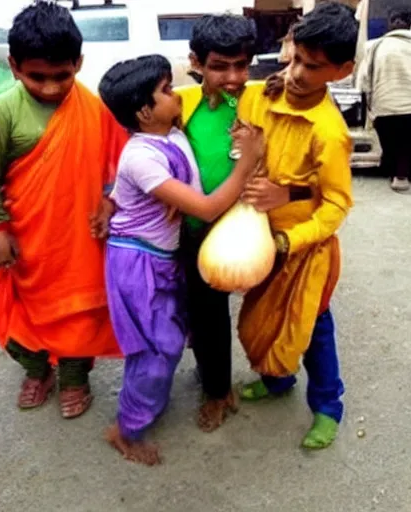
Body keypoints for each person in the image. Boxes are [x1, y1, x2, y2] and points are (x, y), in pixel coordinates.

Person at [95, 56, 263, 465]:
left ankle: (147, 400)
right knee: (156, 348)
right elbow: (205, 209)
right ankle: (126, 429)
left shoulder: (170, 133)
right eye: (167, 91)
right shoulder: (141, 155)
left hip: (160, 257)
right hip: (138, 264)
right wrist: (248, 160)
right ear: (143, 111)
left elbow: (162, 183)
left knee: (169, 336)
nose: (178, 97)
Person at [0, 2, 128, 418]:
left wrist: (109, 201)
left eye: (63, 75)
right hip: (26, 243)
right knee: (21, 322)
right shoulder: (0, 113)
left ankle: (75, 379)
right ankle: (37, 372)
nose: (53, 87)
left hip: (82, 241)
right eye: (38, 76)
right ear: (14, 66)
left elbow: (118, 164)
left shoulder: (93, 107)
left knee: (80, 315)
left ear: (79, 63)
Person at [177, 14, 311, 433]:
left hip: (263, 232)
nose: (234, 77)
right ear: (196, 62)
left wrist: (289, 194)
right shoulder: (180, 105)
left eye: (242, 65)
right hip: (199, 231)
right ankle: (218, 391)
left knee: (276, 307)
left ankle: (278, 376)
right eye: (220, 66)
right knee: (207, 314)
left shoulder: (266, 96)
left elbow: (316, 163)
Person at [235, 1, 357, 450]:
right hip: (256, 237)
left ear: (342, 71)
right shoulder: (260, 94)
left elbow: (337, 205)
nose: (298, 73)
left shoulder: (330, 131)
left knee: (313, 329)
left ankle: (327, 407)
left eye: (313, 66)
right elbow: (242, 140)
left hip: (304, 251)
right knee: (260, 318)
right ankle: (276, 380)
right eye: (295, 58)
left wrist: (291, 237)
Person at [361, 7, 411, 192]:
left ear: (389, 25)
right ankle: (401, 173)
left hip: (385, 109)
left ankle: (395, 171)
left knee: (391, 139)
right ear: (410, 26)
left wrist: (370, 106)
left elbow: (364, 80)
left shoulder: (375, 46)